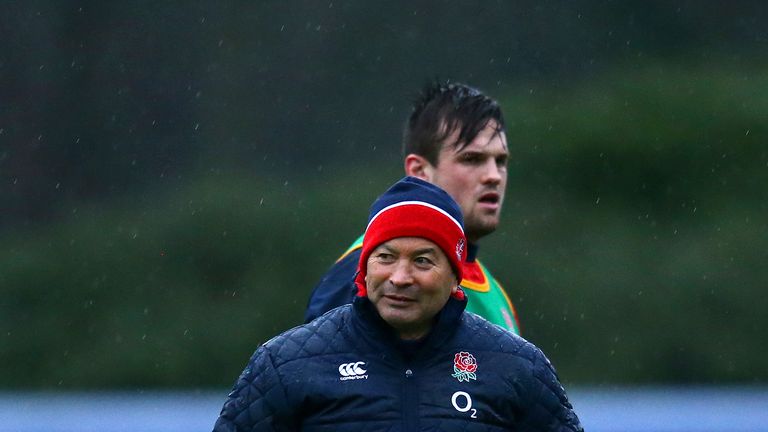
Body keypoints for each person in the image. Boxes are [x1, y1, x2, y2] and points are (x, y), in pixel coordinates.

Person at [213, 177, 582, 431]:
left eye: (423, 261)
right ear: (365, 267)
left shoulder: (518, 367)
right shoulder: (285, 364)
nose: (400, 277)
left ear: (456, 276)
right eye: (386, 256)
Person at [305, 80, 520, 333]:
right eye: (472, 159)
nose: (494, 175)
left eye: (501, 161)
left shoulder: (496, 294)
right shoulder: (363, 274)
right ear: (419, 171)